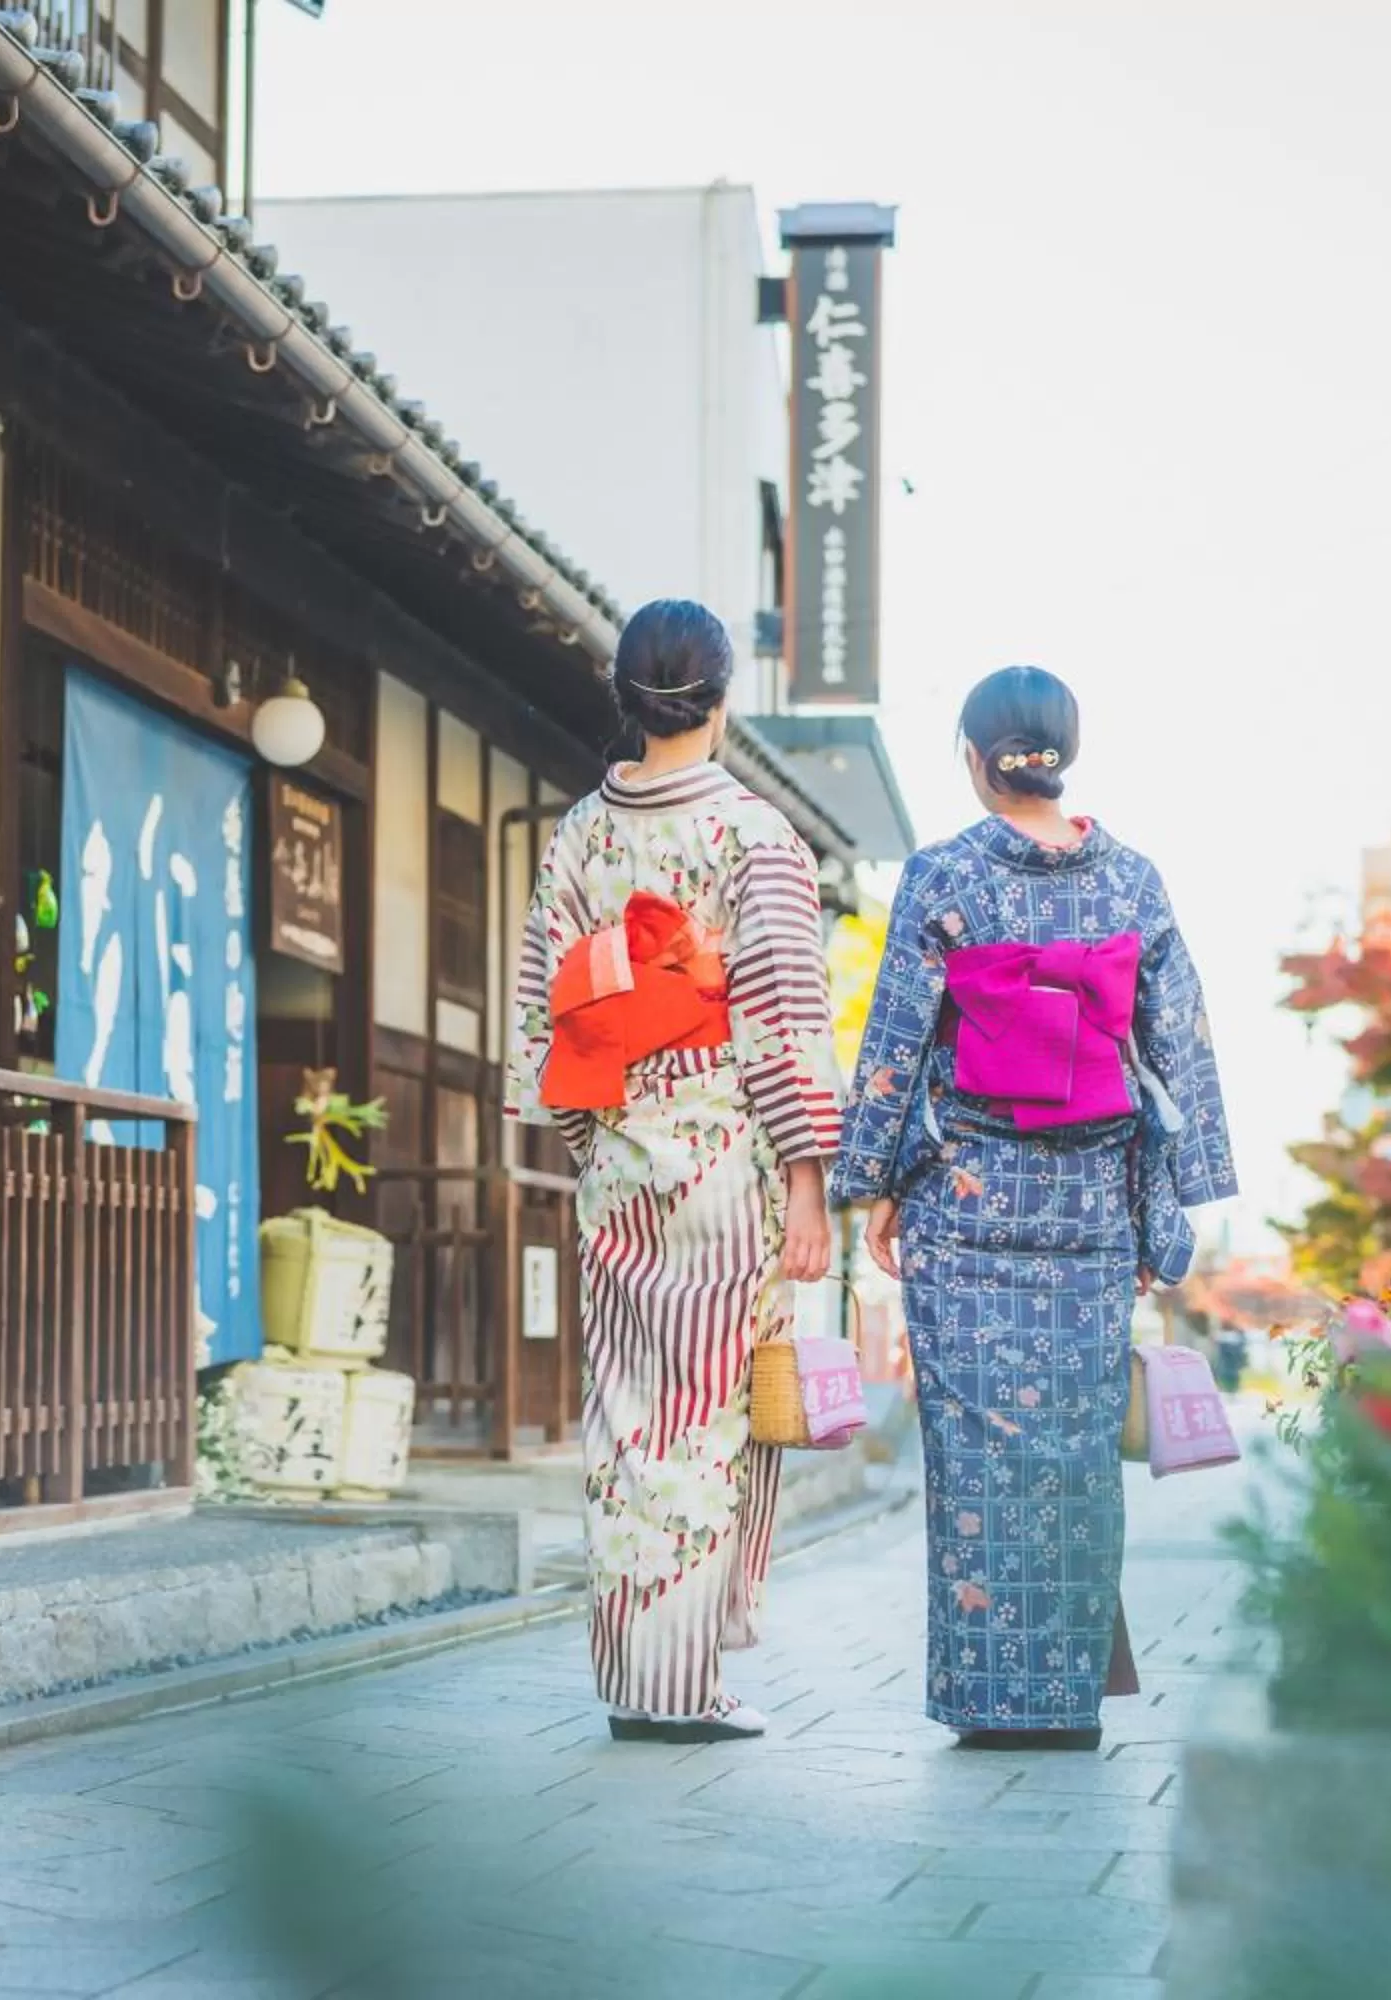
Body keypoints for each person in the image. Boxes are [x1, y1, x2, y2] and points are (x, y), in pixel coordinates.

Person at [830, 665, 1237, 1751]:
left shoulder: (941, 874)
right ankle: (1061, 1700)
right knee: (1072, 1455)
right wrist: (1171, 1211)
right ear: (1063, 753)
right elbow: (1173, 1047)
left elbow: (897, 1037)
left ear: (974, 757)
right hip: (1091, 1211)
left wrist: (871, 1179)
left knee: (971, 1455)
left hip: (964, 1206)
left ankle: (989, 1700)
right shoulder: (1133, 883)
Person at [504, 599, 840, 1744]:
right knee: (708, 1420)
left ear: (625, 696)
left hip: (620, 1158)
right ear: (723, 694)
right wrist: (807, 1179)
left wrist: (587, 1136)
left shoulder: (580, 834)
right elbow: (785, 1007)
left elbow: (546, 1000)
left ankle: (639, 1667)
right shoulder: (753, 833)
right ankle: (678, 1680)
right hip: (722, 1159)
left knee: (630, 1417)